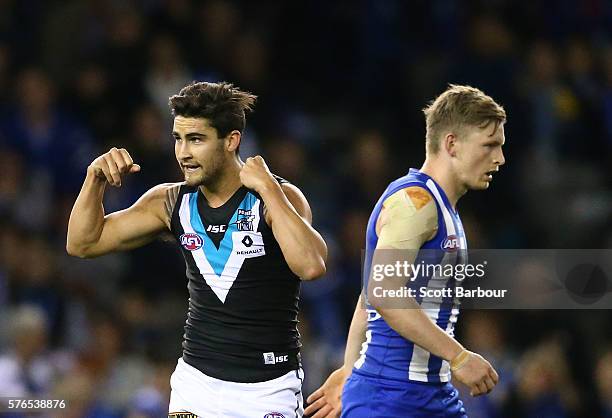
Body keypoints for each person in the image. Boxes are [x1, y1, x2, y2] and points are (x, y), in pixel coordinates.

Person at [66, 81, 327, 418]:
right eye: (178, 138)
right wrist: (94, 180)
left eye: (196, 139)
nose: (183, 153)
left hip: (266, 389)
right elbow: (82, 243)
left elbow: (311, 266)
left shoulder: (279, 197)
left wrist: (268, 188)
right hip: (196, 383)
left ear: (231, 140)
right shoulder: (170, 201)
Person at [305, 84, 505, 418]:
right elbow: (384, 292)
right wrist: (459, 356)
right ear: (451, 144)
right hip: (390, 397)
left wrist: (349, 367)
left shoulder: (442, 208)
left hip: (430, 395)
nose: (499, 158)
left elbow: (370, 291)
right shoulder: (416, 203)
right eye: (490, 145)